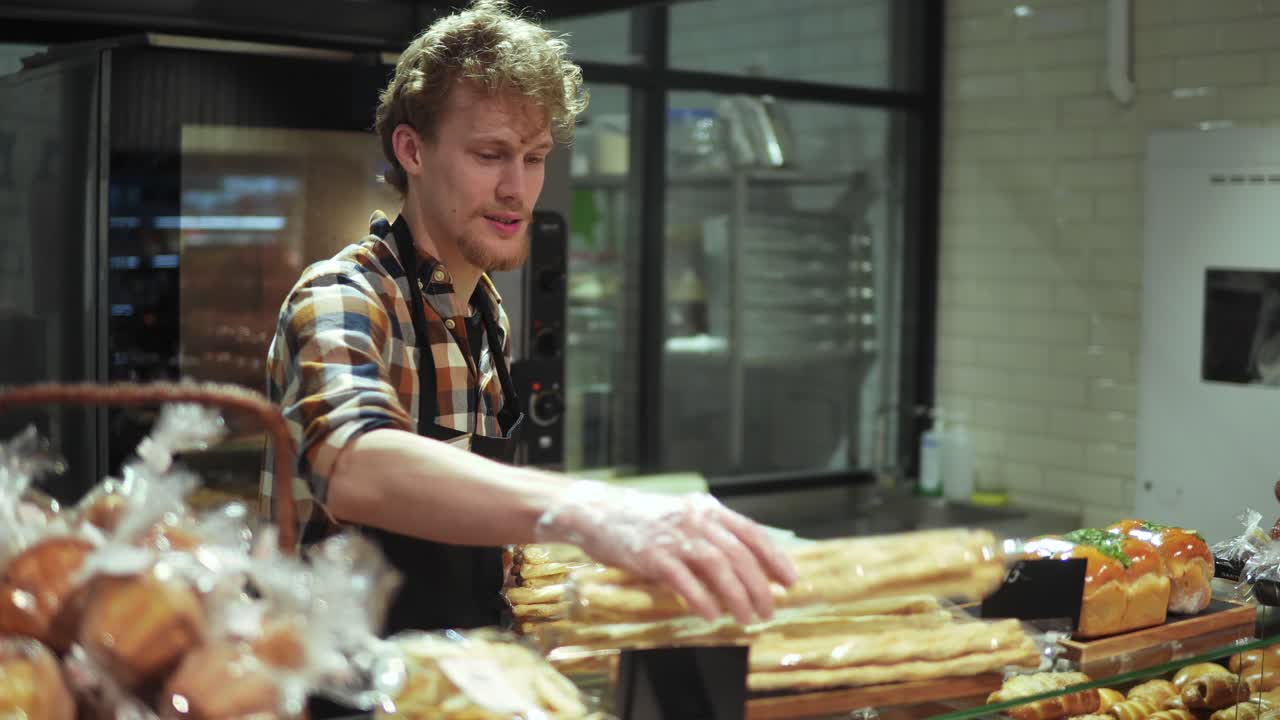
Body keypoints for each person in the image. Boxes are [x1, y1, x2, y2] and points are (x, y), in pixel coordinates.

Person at [260, 0, 795, 636]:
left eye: (534, 157)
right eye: (490, 155)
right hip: (339, 689)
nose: (519, 189)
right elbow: (353, 463)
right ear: (412, 150)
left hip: (460, 677)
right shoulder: (344, 296)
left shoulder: (486, 314)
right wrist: (591, 510)